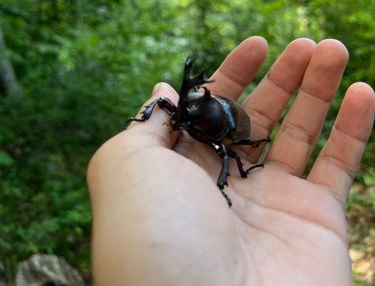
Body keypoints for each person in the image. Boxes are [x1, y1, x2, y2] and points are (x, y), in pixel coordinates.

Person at [87, 37, 375, 286]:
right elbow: (165, 105)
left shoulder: (218, 129)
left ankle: (226, 181)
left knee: (229, 151)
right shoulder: (193, 107)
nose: (178, 121)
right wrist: (144, 119)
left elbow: (227, 150)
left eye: (185, 118)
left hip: (230, 127)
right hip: (212, 116)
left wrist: (222, 183)